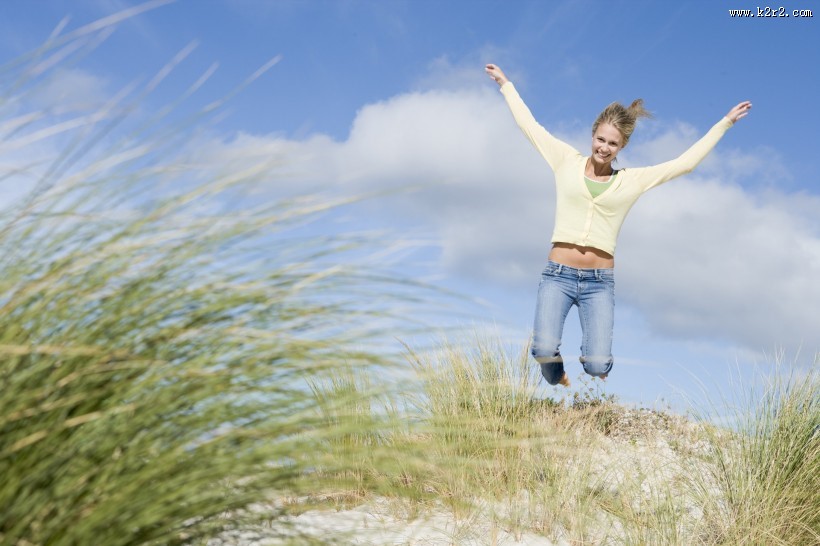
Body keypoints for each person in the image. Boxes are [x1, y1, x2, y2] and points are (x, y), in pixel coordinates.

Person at [485, 63, 751, 387]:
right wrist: (506, 84)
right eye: (600, 139)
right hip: (557, 275)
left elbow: (685, 164)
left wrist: (724, 124)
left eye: (612, 144)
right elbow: (529, 125)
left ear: (622, 146)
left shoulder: (632, 181)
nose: (604, 148)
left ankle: (590, 370)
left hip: (599, 282)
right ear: (592, 133)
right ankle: (557, 376)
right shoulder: (564, 160)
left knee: (597, 366)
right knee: (542, 349)